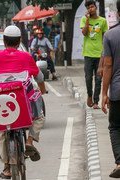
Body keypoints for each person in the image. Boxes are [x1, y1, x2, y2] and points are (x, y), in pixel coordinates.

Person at [0, 25, 46, 179]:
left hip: (1, 100)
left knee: (2, 130)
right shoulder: (26, 56)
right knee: (39, 115)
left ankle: (6, 167)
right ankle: (30, 141)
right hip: (21, 100)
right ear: (19, 41)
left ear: (4, 41)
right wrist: (42, 90)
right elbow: (39, 77)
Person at [102, 0, 120, 178]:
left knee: (115, 127)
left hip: (117, 91)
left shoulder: (109, 35)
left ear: (118, 14)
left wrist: (103, 93)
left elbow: (107, 66)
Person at [80, 0, 108, 109]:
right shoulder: (84, 19)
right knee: (88, 78)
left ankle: (96, 101)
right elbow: (84, 33)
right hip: (88, 53)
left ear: (95, 7)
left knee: (98, 78)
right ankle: (89, 95)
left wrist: (105, 52)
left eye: (92, 7)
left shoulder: (103, 21)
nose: (90, 9)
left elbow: (105, 37)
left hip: (99, 55)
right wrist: (87, 20)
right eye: (88, 8)